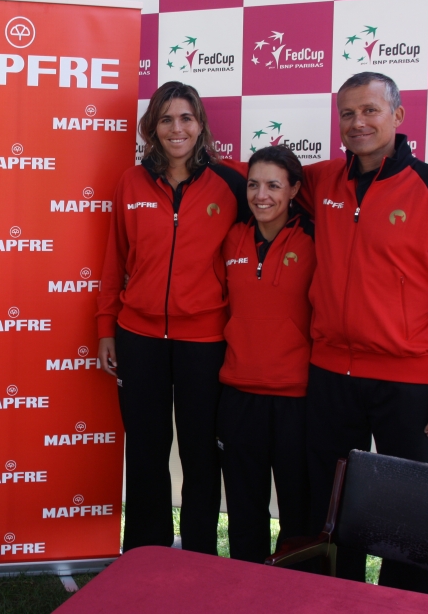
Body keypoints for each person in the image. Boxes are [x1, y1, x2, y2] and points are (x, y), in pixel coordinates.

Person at [299, 71, 428, 592]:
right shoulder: (320, 183)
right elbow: (260, 179)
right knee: (333, 506)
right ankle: (336, 598)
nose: (357, 123)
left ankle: (408, 605)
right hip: (330, 376)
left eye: (370, 111)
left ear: (398, 116)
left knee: (410, 512)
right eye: (347, 113)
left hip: (409, 382)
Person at [96, 81, 250, 554]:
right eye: (166, 119)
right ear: (152, 128)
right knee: (145, 452)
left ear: (200, 124)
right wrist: (106, 327)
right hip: (138, 336)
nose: (176, 128)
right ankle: (145, 552)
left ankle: (200, 553)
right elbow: (114, 260)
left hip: (205, 341)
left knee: (201, 454)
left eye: (185, 118)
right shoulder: (131, 182)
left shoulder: (232, 184)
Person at [216, 146, 314, 564]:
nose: (262, 195)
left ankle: (297, 597)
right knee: (244, 509)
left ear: (294, 189)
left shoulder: (316, 238)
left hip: (297, 397)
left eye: (274, 185)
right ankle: (245, 592)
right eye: (253, 184)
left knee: (299, 511)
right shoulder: (231, 236)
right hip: (238, 394)